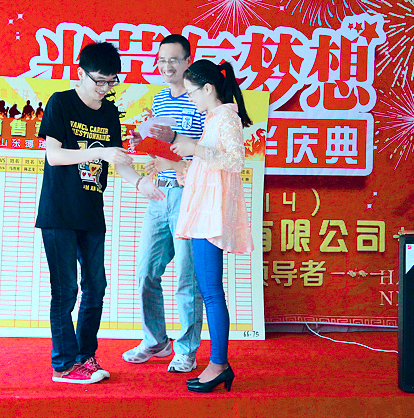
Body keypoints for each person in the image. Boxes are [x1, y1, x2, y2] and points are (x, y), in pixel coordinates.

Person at [35, 41, 164, 384]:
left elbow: (117, 160)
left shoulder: (109, 112)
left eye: (111, 81)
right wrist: (99, 153)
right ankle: (63, 365)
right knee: (65, 291)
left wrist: (140, 184)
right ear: (81, 74)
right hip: (59, 212)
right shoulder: (61, 102)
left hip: (91, 211)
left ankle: (85, 356)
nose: (105, 88)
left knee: (95, 286)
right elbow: (54, 156)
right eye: (99, 80)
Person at [169, 59, 254, 393]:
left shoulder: (226, 117)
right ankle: (218, 363)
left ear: (208, 88)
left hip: (210, 217)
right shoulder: (215, 118)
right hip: (204, 213)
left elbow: (235, 161)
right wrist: (187, 169)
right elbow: (212, 165)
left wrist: (195, 149)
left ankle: (219, 364)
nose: (190, 98)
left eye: (192, 92)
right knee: (209, 290)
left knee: (211, 292)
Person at [122, 35, 205, 373]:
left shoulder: (201, 98)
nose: (167, 66)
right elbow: (160, 148)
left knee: (188, 278)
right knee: (146, 271)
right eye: (161, 60)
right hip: (159, 192)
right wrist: (142, 141)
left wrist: (177, 154)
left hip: (189, 194)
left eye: (173, 60)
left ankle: (186, 349)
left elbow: (206, 150)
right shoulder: (158, 98)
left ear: (188, 62)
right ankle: (156, 340)